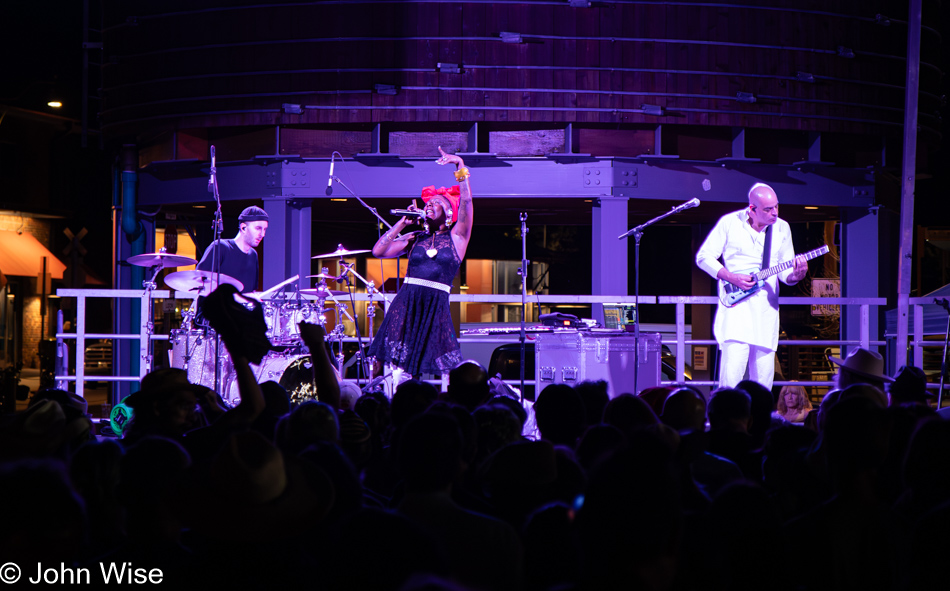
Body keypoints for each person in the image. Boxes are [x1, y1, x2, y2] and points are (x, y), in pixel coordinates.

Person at [367, 147, 473, 388]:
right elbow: (379, 251)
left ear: (449, 213)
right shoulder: (415, 237)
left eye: (436, 202)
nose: (429, 205)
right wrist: (400, 224)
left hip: (435, 304)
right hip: (407, 301)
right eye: (428, 202)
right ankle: (389, 401)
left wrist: (460, 166)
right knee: (398, 362)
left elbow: (466, 201)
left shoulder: (458, 237)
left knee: (440, 362)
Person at [696, 183, 808, 389]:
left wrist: (796, 276)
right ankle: (725, 417)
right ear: (752, 208)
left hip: (766, 312)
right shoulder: (729, 223)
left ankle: (760, 419)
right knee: (732, 375)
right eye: (767, 209)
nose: (774, 213)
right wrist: (730, 277)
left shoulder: (782, 228)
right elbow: (704, 257)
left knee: (764, 380)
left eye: (776, 207)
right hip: (736, 310)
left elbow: (785, 273)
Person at [196, 205, 268, 294]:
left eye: (264, 229)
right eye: (258, 228)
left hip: (240, 308)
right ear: (243, 228)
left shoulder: (253, 254)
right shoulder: (220, 247)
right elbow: (199, 281)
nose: (262, 234)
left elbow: (251, 291)